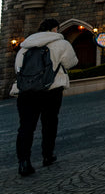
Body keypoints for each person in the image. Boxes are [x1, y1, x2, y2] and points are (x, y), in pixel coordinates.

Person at [11, 18, 78, 177]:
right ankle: (47, 155)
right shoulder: (61, 43)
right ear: (55, 29)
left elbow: (18, 69)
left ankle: (23, 163)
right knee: (49, 123)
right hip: (50, 90)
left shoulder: (24, 47)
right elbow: (71, 63)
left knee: (26, 127)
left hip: (26, 92)